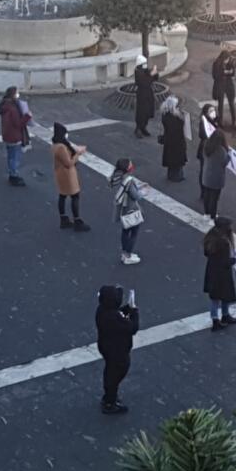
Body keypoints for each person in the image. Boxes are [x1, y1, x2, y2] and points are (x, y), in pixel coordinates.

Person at [95, 285, 139, 415]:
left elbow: (118, 312)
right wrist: (134, 313)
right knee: (117, 374)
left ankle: (109, 397)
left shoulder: (102, 311)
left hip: (106, 347)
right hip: (117, 351)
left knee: (110, 371)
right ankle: (110, 401)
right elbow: (133, 328)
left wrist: (126, 309)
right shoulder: (114, 318)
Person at [203, 216, 236, 331]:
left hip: (212, 271)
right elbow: (225, 261)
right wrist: (234, 260)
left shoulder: (211, 237)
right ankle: (224, 315)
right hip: (223, 274)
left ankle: (216, 318)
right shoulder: (223, 242)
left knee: (215, 297)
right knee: (225, 295)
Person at [51, 123, 90, 232]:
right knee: (75, 196)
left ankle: (63, 219)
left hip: (61, 174)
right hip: (67, 175)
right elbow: (68, 163)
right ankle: (77, 221)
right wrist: (78, 154)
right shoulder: (61, 147)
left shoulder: (56, 145)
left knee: (63, 195)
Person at [110, 158, 144, 265]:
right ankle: (128, 255)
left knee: (125, 231)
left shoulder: (117, 178)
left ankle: (124, 253)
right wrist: (142, 191)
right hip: (131, 209)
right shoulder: (129, 180)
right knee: (133, 233)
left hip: (123, 210)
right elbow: (136, 196)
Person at [0, 87, 31, 186]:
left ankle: (12, 173)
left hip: (7, 135)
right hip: (14, 136)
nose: (18, 95)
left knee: (11, 156)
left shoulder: (4, 106)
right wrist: (28, 116)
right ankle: (14, 175)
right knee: (15, 157)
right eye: (17, 93)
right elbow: (18, 124)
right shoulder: (13, 109)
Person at [158, 96, 189, 182]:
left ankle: (171, 175)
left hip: (169, 142)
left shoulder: (165, 115)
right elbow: (181, 126)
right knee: (177, 160)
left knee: (171, 160)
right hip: (177, 142)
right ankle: (178, 176)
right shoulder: (175, 117)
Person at [201, 129, 229, 221]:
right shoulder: (222, 151)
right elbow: (224, 163)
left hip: (206, 176)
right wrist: (229, 156)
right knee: (214, 199)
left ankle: (206, 214)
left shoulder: (206, 145)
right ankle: (212, 217)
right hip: (216, 179)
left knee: (206, 196)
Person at [133, 55, 158, 138]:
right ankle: (138, 128)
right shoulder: (138, 72)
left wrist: (155, 73)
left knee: (148, 111)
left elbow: (154, 78)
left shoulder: (144, 70)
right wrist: (151, 75)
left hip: (148, 93)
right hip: (142, 94)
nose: (145, 65)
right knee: (141, 112)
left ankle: (144, 127)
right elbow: (145, 82)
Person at [211, 51, 236, 129]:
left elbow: (233, 73)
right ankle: (220, 121)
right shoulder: (216, 63)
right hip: (220, 85)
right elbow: (215, 76)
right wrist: (224, 72)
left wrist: (229, 72)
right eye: (226, 59)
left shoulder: (230, 62)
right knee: (220, 104)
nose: (227, 60)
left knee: (231, 103)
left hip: (229, 85)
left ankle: (234, 121)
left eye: (228, 59)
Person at [196, 103, 216, 192]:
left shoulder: (214, 121)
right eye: (211, 111)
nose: (213, 112)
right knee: (204, 170)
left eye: (213, 110)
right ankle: (203, 190)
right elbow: (202, 134)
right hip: (205, 149)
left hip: (212, 150)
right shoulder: (204, 122)